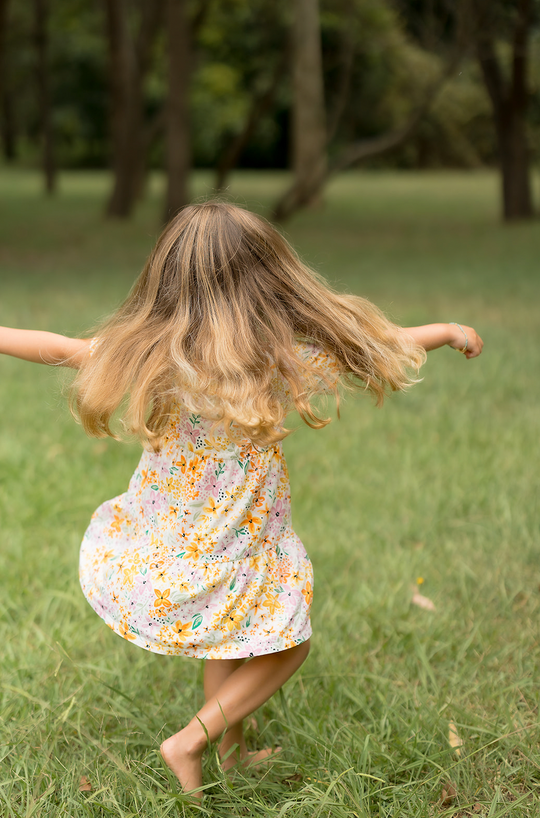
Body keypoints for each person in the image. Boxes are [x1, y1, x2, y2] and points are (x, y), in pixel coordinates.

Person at [0, 202, 483, 800]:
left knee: (231, 633)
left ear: (167, 281)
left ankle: (231, 752)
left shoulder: (156, 357)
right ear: (269, 282)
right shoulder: (273, 364)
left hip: (174, 543)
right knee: (289, 643)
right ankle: (191, 741)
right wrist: (450, 332)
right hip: (237, 539)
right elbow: (379, 343)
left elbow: (57, 346)